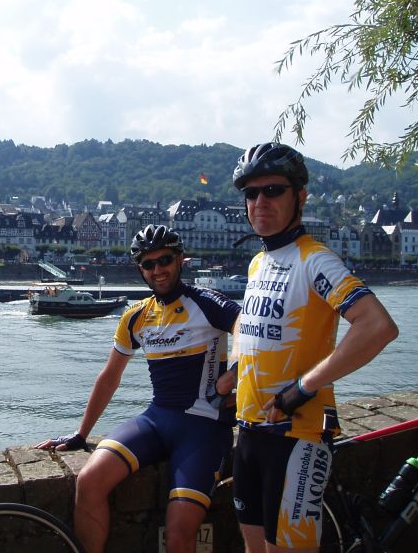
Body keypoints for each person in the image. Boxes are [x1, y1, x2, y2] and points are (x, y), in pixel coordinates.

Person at [229, 142, 398, 553]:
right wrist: (232, 372)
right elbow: (248, 325)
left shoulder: (316, 261)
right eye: (251, 193)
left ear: (299, 196)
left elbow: (377, 326)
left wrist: (303, 387)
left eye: (273, 191)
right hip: (249, 433)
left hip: (297, 433)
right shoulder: (258, 263)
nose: (260, 201)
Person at [36, 224, 241, 553]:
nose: (158, 270)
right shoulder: (136, 316)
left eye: (165, 260)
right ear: (140, 269)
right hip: (157, 421)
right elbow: (110, 376)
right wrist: (81, 433)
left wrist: (233, 376)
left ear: (180, 260)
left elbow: (254, 334)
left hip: (204, 428)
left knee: (178, 535)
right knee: (88, 482)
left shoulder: (207, 302)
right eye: (148, 264)